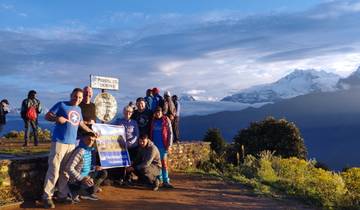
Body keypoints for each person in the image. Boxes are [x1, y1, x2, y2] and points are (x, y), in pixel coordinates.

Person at [42, 88, 95, 209]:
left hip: (72, 144)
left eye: (80, 98)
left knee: (65, 171)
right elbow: (47, 116)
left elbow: (80, 123)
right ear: (71, 95)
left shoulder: (78, 109)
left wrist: (91, 131)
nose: (77, 99)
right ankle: (47, 197)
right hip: (59, 142)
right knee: (54, 170)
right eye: (75, 96)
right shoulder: (61, 105)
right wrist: (56, 119)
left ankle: (62, 194)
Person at [65, 132, 107, 202]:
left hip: (86, 177)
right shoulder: (80, 151)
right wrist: (82, 178)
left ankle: (86, 192)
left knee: (103, 173)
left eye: (93, 140)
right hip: (76, 180)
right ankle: (75, 192)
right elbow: (69, 167)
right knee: (93, 189)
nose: (90, 142)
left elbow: (85, 166)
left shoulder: (89, 150)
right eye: (89, 139)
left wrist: (94, 168)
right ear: (83, 139)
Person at [150, 106, 174, 188]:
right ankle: (159, 179)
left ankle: (166, 180)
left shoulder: (166, 120)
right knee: (157, 164)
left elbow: (170, 133)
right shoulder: (153, 121)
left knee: (163, 163)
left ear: (161, 112)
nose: (158, 113)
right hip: (154, 147)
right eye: (156, 112)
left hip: (163, 146)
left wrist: (169, 145)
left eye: (159, 112)